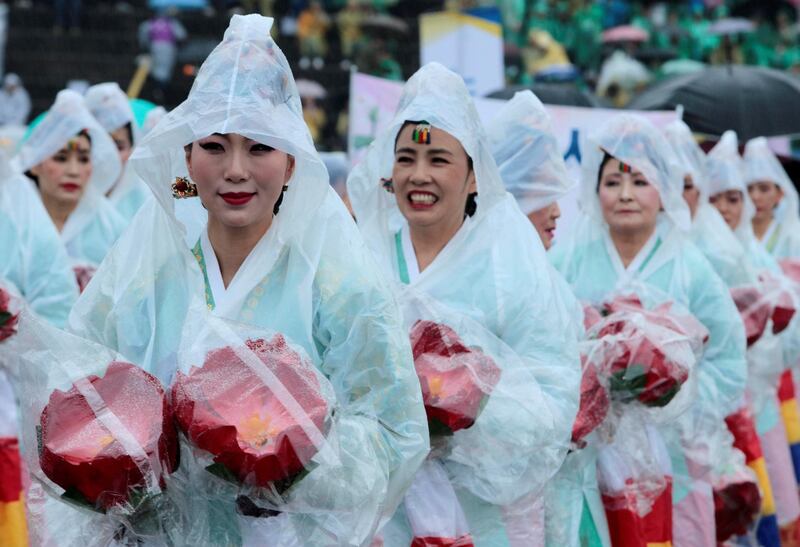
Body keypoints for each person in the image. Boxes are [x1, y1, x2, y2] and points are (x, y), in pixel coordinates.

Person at [60, 14, 427, 546]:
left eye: (258, 147)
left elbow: (395, 434)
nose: (235, 169)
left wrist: (288, 454)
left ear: (292, 163)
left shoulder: (337, 285)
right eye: (213, 146)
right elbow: (86, 384)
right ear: (187, 157)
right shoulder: (145, 276)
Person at [347, 62, 580, 546]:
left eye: (439, 161)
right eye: (406, 158)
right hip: (382, 519)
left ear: (475, 176)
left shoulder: (510, 267)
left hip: (488, 518)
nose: (419, 175)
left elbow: (552, 399)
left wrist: (460, 405)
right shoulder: (360, 258)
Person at [551, 114, 747, 547]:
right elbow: (546, 349)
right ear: (593, 189)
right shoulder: (567, 262)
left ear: (664, 190)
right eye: (612, 183)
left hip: (673, 452)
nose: (625, 195)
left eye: (640, 181)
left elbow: (730, 361)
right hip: (590, 455)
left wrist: (672, 399)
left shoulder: (690, 267)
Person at [487, 89, 609, 547]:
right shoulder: (487, 277)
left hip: (566, 486)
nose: (557, 210)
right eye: (539, 192)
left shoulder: (546, 275)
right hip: (493, 498)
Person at [706, 131, 800, 541]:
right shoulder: (696, 257)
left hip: (763, 404)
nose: (725, 208)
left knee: (771, 505)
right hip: (711, 417)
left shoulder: (763, 252)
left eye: (735, 197)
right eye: (714, 198)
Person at [14, 89, 126, 290]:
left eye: (83, 159)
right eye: (61, 158)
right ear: (35, 163)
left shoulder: (109, 224)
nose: (74, 171)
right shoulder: (15, 216)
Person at [85, 82, 150, 222]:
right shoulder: (66, 195)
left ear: (131, 149)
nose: (109, 155)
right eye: (101, 144)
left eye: (119, 147)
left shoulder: (148, 199)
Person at [743, 137, 800, 259]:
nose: (755, 197)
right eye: (748, 189)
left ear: (780, 194)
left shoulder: (793, 236)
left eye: (764, 189)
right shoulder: (733, 235)